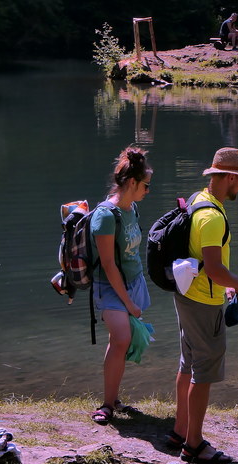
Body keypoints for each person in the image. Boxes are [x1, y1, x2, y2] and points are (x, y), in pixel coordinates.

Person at [168, 147, 238, 464]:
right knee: (203, 373)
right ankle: (193, 445)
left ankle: (180, 430)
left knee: (188, 363)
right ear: (231, 176)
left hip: (185, 292)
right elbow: (215, 270)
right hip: (204, 301)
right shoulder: (212, 218)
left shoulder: (198, 200)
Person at [89, 146, 153, 425]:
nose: (147, 190)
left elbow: (130, 253)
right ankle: (106, 405)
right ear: (131, 183)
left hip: (132, 283)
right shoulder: (105, 216)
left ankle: (113, 399)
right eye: (145, 185)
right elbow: (107, 264)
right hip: (109, 287)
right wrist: (128, 302)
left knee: (118, 340)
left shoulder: (132, 208)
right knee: (122, 338)